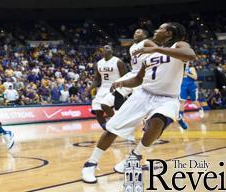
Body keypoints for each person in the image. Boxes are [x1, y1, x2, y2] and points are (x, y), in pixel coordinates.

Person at [82, 23, 196, 184]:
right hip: (143, 94)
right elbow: (138, 79)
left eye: (160, 28)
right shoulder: (147, 55)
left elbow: (190, 55)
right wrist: (122, 83)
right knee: (113, 128)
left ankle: (134, 157)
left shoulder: (179, 45)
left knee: (157, 121)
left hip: (168, 98)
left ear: (169, 33)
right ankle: (90, 163)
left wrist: (156, 49)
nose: (156, 30)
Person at [85, 45, 127, 130]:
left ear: (112, 50)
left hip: (115, 87)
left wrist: (124, 89)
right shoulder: (99, 63)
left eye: (107, 47)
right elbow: (97, 80)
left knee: (105, 105)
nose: (105, 49)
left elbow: (125, 77)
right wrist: (89, 89)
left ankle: (118, 123)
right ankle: (107, 129)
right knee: (97, 111)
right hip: (103, 88)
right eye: (103, 48)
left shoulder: (118, 62)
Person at [178, 62, 199, 129]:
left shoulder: (191, 68)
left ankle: (201, 109)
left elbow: (195, 77)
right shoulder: (180, 69)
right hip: (183, 87)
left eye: (187, 62)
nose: (186, 63)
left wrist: (187, 74)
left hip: (191, 86)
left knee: (194, 101)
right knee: (182, 102)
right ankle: (181, 118)